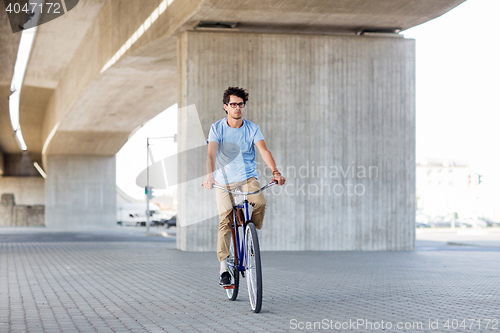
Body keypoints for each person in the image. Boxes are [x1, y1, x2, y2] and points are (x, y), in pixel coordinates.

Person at [202, 87, 286, 286]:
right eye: (233, 105)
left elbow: (264, 151)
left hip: (248, 177)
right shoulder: (217, 128)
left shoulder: (252, 128)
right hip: (224, 180)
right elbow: (211, 155)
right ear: (226, 107)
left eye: (240, 104)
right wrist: (210, 176)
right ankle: (224, 268)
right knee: (225, 220)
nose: (237, 108)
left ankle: (250, 237)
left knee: (260, 202)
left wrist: (275, 171)